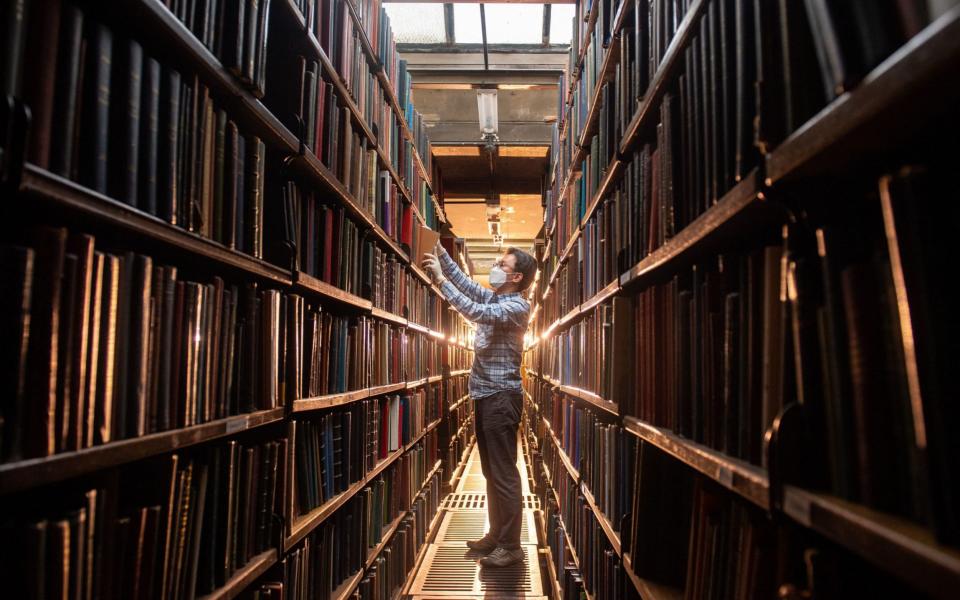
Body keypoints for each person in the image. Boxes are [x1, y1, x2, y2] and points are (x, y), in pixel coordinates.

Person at [422, 243, 536, 568]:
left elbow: (475, 311)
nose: (496, 266)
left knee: (503, 474)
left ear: (516, 276)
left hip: (501, 398)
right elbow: (469, 287)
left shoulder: (516, 306)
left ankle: (511, 546)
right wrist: (439, 251)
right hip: (486, 396)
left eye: (502, 263)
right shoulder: (498, 296)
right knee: (490, 472)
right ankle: (496, 534)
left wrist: (441, 281)